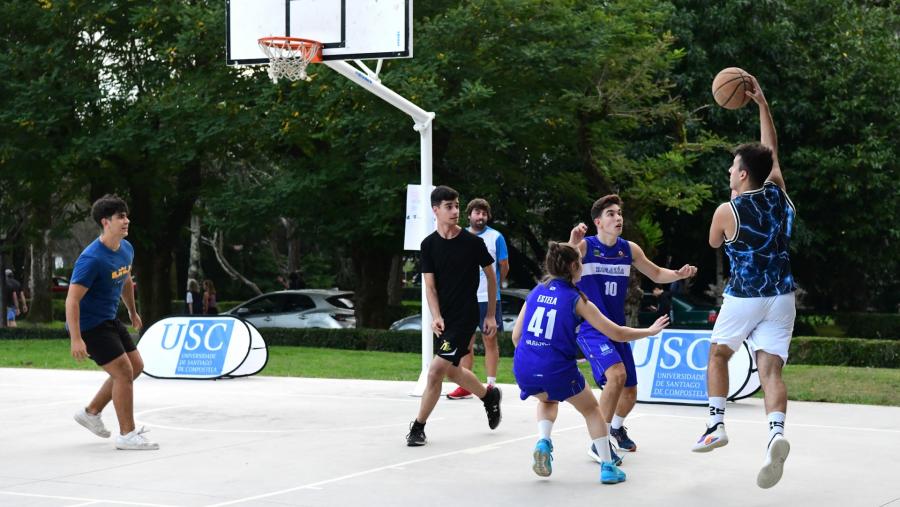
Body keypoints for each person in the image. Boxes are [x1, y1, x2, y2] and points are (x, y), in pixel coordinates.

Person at [693, 74, 795, 490]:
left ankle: (716, 424)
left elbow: (714, 242)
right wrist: (762, 105)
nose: (729, 171)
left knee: (718, 356)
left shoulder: (726, 210)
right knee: (770, 370)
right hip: (783, 295)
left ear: (742, 176)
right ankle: (775, 434)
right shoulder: (776, 191)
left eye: (732, 167)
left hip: (745, 296)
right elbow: (770, 154)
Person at [513, 242, 669, 483]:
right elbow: (617, 333)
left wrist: (534, 359)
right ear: (575, 266)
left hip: (524, 367)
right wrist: (648, 332)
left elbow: (516, 337)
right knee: (592, 410)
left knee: (547, 398)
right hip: (556, 369)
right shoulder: (577, 300)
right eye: (581, 263)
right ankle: (607, 465)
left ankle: (544, 442)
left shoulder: (535, 291)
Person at [570, 196, 697, 459]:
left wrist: (678, 275)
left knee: (630, 392)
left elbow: (657, 273)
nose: (618, 218)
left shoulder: (629, 249)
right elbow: (560, 259)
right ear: (598, 222)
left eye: (619, 213)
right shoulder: (584, 247)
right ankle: (600, 442)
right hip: (592, 328)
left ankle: (615, 429)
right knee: (616, 375)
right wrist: (572, 241)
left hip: (617, 328)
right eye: (611, 214)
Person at [406, 186, 503, 446]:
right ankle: (488, 396)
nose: (455, 211)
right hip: (445, 318)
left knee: (436, 370)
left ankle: (418, 427)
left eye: (457, 206)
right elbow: (430, 286)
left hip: (465, 316)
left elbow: (492, 278)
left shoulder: (473, 243)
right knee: (451, 372)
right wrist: (435, 315)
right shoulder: (428, 245)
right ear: (435, 210)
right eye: (449, 206)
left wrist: (491, 315)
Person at [67, 194, 158, 450]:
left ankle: (91, 412)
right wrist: (76, 338)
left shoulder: (126, 249)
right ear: (106, 222)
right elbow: (72, 301)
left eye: (126, 216)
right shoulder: (91, 259)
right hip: (89, 325)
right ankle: (127, 435)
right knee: (123, 372)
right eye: (121, 217)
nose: (126, 221)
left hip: (108, 319)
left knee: (136, 366)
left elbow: (126, 280)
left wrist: (132, 311)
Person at [447, 198, 509, 399]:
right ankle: (466, 385)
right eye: (477, 212)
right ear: (469, 214)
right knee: (465, 342)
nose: (480, 217)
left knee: (490, 341)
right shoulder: (460, 235)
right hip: (465, 298)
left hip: (488, 299)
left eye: (484, 213)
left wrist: (495, 287)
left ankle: (490, 384)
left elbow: (503, 266)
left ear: (487, 216)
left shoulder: (496, 237)